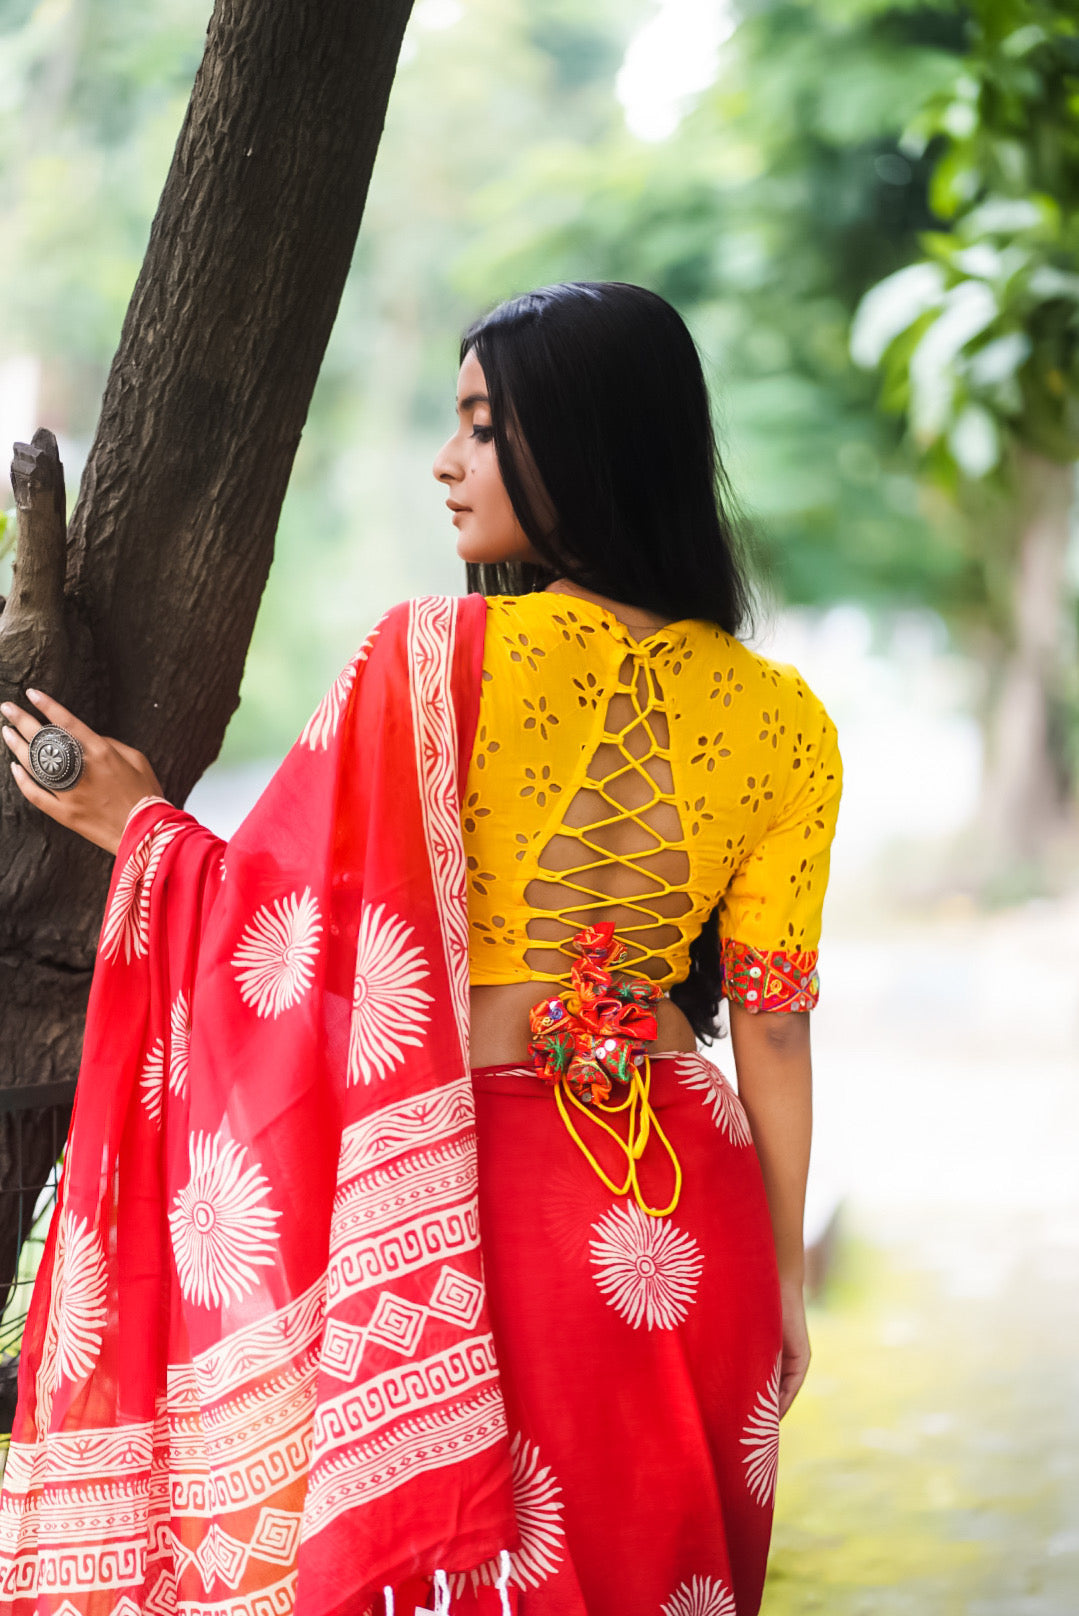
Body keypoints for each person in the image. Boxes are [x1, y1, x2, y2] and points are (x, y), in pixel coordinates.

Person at [0, 281, 841, 1616]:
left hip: (497, 1193)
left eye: (483, 428)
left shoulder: (430, 655)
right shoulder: (786, 718)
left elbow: (298, 942)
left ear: (586, 442)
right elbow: (776, 1024)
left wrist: (144, 830)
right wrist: (785, 1280)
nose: (447, 463)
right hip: (704, 1202)